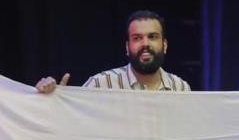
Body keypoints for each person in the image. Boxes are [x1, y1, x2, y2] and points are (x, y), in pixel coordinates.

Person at [35, 10, 191, 93]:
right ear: (127, 47)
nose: (145, 44)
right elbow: (72, 123)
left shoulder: (181, 88)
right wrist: (55, 99)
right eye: (137, 38)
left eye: (152, 37)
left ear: (164, 45)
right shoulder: (100, 84)